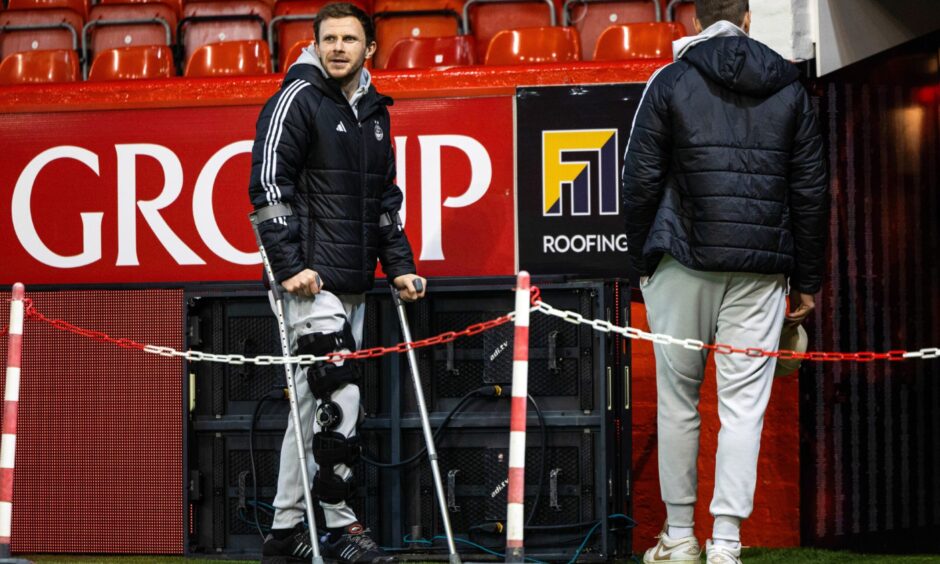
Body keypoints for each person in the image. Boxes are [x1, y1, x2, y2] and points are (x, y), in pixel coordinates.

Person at [621, 0, 828, 562]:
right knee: (744, 407)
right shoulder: (790, 87)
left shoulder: (670, 79)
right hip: (761, 270)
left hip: (681, 262)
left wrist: (642, 260)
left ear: (695, 21)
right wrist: (807, 279)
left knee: (678, 403)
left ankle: (680, 537)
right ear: (748, 19)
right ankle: (727, 544)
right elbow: (810, 191)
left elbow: (638, 179)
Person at [247, 3, 425, 562]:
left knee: (311, 407)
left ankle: (284, 532)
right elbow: (268, 186)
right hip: (308, 281)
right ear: (316, 44)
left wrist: (399, 266)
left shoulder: (375, 112)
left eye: (350, 39)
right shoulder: (298, 98)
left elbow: (383, 201)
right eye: (329, 39)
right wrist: (289, 267)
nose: (339, 48)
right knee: (339, 392)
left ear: (369, 49)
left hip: (352, 280)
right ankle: (341, 524)